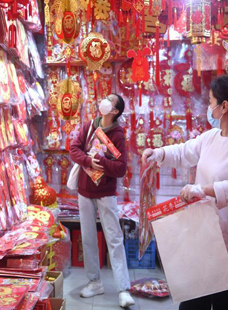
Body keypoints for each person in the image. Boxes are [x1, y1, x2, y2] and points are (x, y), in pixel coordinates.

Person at [142, 75, 228, 310]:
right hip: (202, 241)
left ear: (224, 107)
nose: (208, 107)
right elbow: (185, 152)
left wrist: (203, 190)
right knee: (191, 306)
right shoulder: (211, 137)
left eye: (210, 101)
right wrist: (159, 154)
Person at [70, 93, 135, 308]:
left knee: (114, 239)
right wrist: (88, 161)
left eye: (110, 100)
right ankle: (94, 282)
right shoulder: (90, 126)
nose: (105, 101)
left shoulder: (117, 134)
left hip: (106, 194)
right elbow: (74, 149)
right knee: (88, 238)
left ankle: (123, 289)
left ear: (115, 111)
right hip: (84, 192)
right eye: (106, 97)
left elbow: (121, 168)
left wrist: (100, 161)